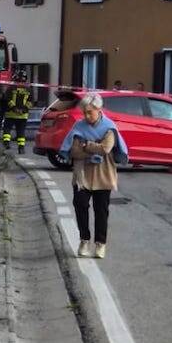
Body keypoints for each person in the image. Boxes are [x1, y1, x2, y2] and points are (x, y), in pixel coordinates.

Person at [58, 93, 128, 259]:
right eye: (85, 112)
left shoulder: (109, 127)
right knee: (80, 204)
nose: (87, 115)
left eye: (90, 112)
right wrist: (91, 152)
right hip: (82, 173)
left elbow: (106, 148)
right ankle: (84, 239)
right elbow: (74, 150)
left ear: (99, 109)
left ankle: (100, 244)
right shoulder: (79, 126)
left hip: (103, 173)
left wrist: (87, 145)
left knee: (101, 210)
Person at [1, 70, 33, 153]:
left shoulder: (11, 88)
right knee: (21, 132)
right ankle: (21, 148)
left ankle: (6, 144)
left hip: (10, 114)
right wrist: (24, 110)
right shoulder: (29, 89)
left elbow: (7, 99)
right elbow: (31, 102)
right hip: (23, 115)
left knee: (7, 130)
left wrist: (14, 108)